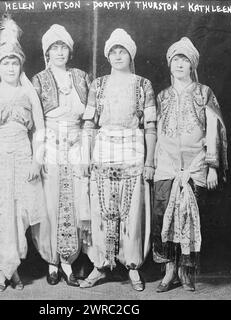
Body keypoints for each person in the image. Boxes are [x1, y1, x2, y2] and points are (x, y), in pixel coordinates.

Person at [0, 14, 48, 292]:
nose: (10, 67)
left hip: (22, 155)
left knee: (19, 215)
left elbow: (39, 129)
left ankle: (13, 268)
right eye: (5, 62)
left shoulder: (29, 94)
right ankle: (0, 271)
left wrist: (37, 160)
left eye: (14, 62)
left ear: (20, 65)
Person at [80, 29, 156, 292]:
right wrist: (85, 156)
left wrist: (150, 162)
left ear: (130, 54)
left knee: (132, 211)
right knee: (100, 209)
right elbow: (88, 124)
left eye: (122, 50)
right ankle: (99, 265)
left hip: (133, 150)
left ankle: (132, 266)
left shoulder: (143, 84)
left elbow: (151, 126)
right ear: (107, 55)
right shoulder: (98, 84)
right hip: (103, 150)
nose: (118, 55)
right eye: (113, 51)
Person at [152, 37, 228, 292]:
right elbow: (156, 131)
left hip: (196, 165)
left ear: (192, 64)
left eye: (185, 60)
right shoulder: (162, 96)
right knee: (164, 216)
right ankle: (168, 271)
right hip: (166, 165)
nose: (180, 64)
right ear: (170, 64)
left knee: (189, 218)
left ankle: (186, 272)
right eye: (176, 59)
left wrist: (213, 166)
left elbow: (213, 130)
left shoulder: (204, 92)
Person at [32, 24, 92, 287]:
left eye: (63, 47)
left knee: (77, 200)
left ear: (69, 51)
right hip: (51, 145)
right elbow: (35, 123)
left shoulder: (81, 77)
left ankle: (69, 263)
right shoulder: (38, 80)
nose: (59, 52)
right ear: (47, 52)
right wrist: (40, 152)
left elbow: (91, 116)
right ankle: (52, 262)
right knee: (50, 203)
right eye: (54, 48)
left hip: (77, 145)